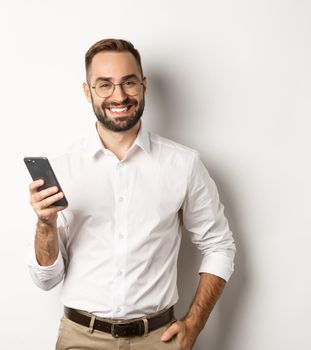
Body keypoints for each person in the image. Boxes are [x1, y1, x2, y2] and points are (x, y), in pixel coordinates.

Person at [27, 38, 236, 350]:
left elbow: (219, 246)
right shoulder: (64, 170)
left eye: (129, 82)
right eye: (105, 85)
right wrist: (44, 224)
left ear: (144, 86)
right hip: (81, 339)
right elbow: (46, 280)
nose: (119, 95)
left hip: (158, 339)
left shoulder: (183, 164)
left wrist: (194, 322)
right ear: (88, 92)